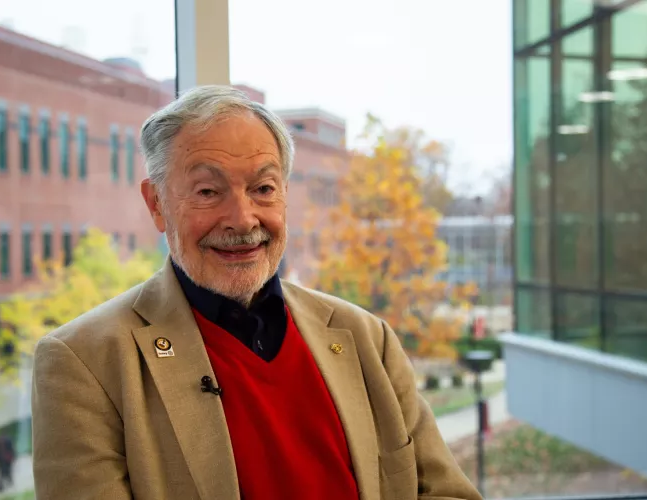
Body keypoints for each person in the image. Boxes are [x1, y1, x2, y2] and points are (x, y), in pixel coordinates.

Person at [31, 85, 482, 500]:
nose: (243, 219)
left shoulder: (367, 338)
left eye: (263, 188)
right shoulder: (84, 363)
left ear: (284, 194)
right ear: (157, 204)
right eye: (208, 191)